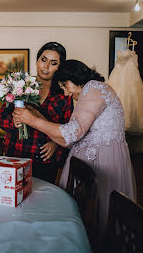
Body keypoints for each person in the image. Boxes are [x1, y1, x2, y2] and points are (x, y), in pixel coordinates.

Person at [12, 59, 136, 240]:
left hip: (103, 159)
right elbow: (66, 140)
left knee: (99, 212)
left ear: (74, 77)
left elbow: (72, 133)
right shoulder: (91, 90)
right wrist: (37, 117)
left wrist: (32, 120)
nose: (66, 92)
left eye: (64, 85)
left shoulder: (93, 88)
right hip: (95, 157)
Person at [0, 42, 73, 184]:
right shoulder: (19, 85)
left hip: (43, 159)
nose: (46, 66)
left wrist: (55, 143)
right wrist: (14, 122)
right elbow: (1, 119)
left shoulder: (64, 96)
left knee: (42, 200)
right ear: (37, 61)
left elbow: (69, 129)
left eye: (53, 63)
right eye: (43, 60)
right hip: (16, 154)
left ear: (59, 67)